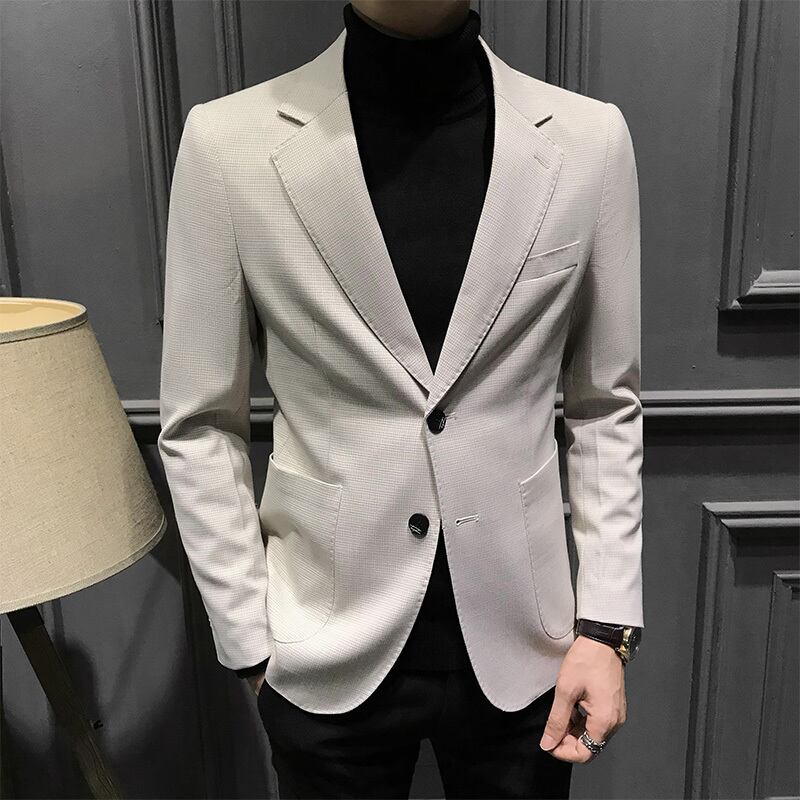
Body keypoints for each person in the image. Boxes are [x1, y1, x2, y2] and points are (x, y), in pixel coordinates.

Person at [157, 1, 644, 797]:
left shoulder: (589, 141)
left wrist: (606, 626)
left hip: (528, 652)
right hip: (324, 647)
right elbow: (201, 423)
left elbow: (603, 404)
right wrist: (250, 645)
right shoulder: (227, 144)